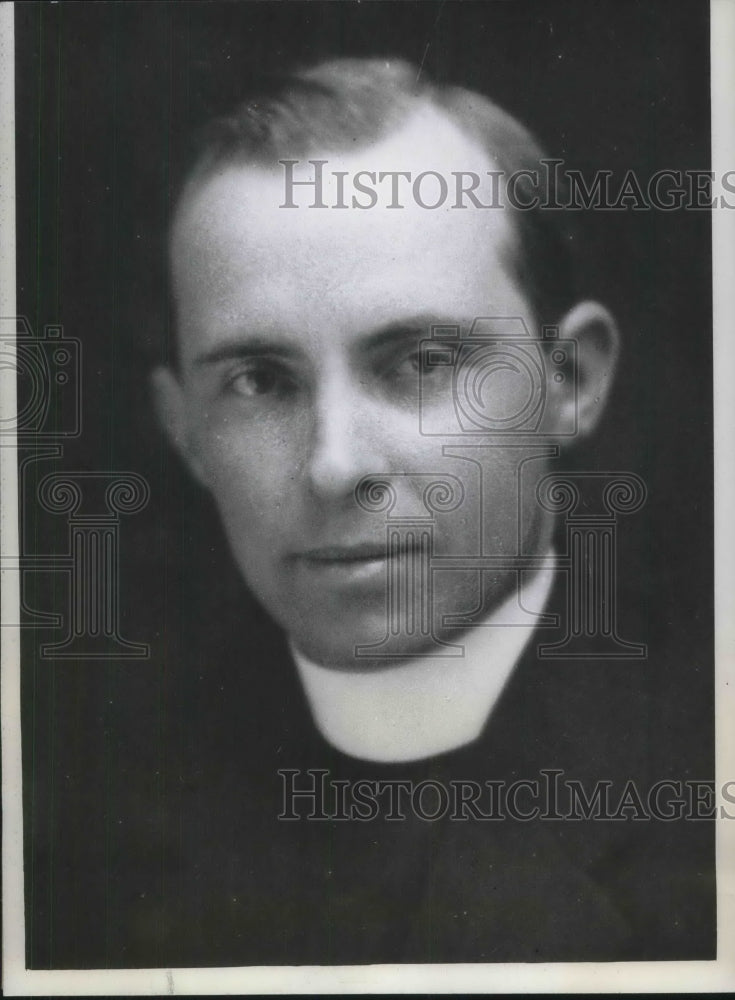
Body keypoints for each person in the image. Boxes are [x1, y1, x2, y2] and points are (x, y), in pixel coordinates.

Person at [36, 57, 715, 969]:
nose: (332, 464)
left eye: (421, 363)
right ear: (185, 431)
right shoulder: (73, 836)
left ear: (570, 382)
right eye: (259, 382)